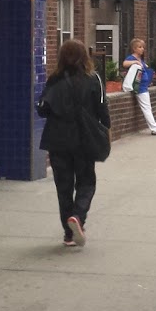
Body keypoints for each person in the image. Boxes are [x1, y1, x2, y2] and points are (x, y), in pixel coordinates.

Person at [38, 39, 111, 247]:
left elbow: (43, 109)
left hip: (58, 139)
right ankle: (78, 217)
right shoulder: (93, 79)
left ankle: (68, 234)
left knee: (64, 186)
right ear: (84, 57)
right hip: (84, 138)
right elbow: (102, 110)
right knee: (86, 182)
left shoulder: (54, 79)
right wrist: (107, 132)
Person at [123, 38, 156, 135]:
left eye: (143, 47)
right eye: (140, 47)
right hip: (140, 88)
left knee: (147, 107)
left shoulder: (141, 60)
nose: (142, 49)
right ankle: (155, 129)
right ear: (134, 49)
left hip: (144, 86)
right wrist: (134, 62)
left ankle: (155, 128)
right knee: (147, 108)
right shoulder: (132, 58)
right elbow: (125, 63)